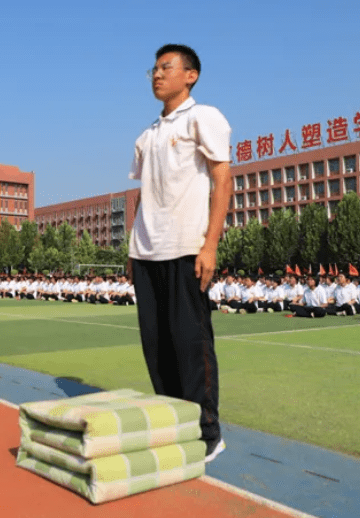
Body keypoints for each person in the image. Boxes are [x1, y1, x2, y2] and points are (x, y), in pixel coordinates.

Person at [129, 44, 231, 464]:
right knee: (156, 345)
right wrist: (131, 247)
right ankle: (174, 423)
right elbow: (143, 193)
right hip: (145, 253)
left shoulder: (204, 117)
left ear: (190, 75)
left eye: (166, 67)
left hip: (186, 248)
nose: (156, 74)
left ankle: (208, 432)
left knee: (191, 343)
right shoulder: (147, 134)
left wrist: (210, 243)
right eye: (153, 68)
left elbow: (222, 178)